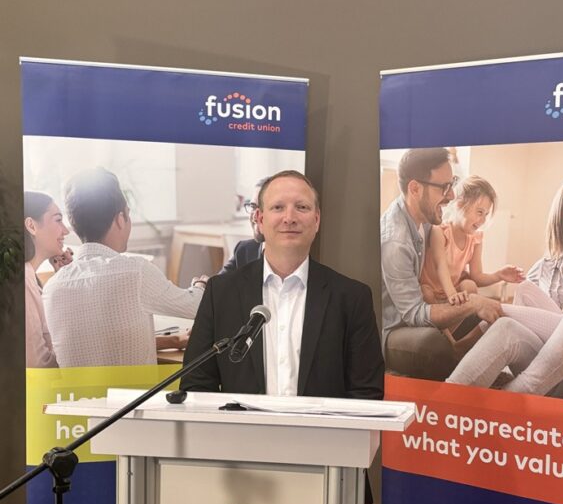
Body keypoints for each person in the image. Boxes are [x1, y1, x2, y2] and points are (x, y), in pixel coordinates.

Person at [181, 169, 384, 400]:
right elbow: (196, 384)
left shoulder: (352, 298)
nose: (289, 218)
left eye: (302, 207)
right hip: (241, 424)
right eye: (278, 207)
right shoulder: (221, 294)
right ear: (260, 219)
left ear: (316, 220)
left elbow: (366, 393)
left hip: (321, 425)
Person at [447, 169, 563, 402]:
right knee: (510, 322)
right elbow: (544, 331)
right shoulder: (543, 268)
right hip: (550, 377)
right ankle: (443, 403)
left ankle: (519, 390)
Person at [44, 167, 205, 367]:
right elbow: (197, 307)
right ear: (120, 219)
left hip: (76, 390)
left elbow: (103, 343)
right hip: (139, 389)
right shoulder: (136, 272)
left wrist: (173, 340)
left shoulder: (52, 288)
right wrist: (200, 286)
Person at [380, 148, 503, 380]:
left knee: (484, 316)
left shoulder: (425, 218)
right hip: (395, 329)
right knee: (433, 346)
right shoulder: (395, 242)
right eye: (444, 187)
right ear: (415, 189)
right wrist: (471, 303)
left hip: (422, 308)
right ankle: (459, 367)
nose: (452, 195)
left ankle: (464, 364)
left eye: (452, 183)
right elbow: (414, 314)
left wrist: (467, 292)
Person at [420, 175, 524, 305]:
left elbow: (477, 277)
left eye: (486, 214)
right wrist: (452, 294)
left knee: (470, 285)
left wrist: (498, 275)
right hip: (433, 291)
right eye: (480, 212)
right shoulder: (439, 232)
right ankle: (442, 315)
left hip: (453, 291)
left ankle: (454, 316)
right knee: (425, 292)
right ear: (459, 205)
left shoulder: (475, 238)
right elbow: (441, 266)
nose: (483, 220)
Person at [24, 191, 71, 368]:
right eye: (58, 220)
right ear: (31, 226)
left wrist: (62, 280)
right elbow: (38, 365)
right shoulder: (23, 282)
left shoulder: (29, 277)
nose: (65, 230)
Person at [220, 178, 265, 274]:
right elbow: (218, 281)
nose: (255, 217)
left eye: (262, 208)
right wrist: (202, 282)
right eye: (253, 207)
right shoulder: (244, 250)